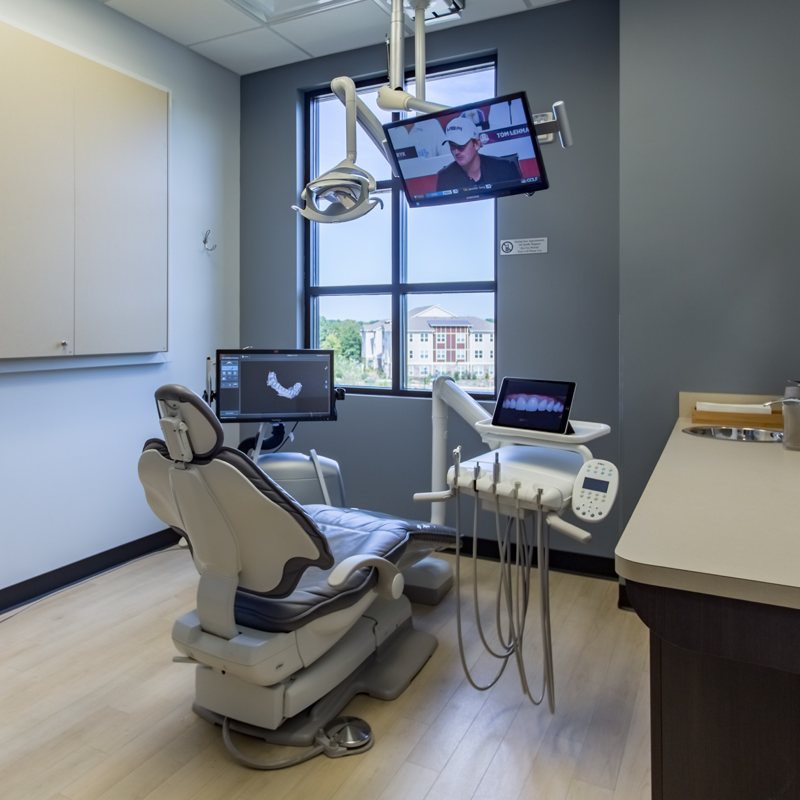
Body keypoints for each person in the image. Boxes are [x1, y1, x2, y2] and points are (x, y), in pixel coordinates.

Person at [436, 116, 521, 192]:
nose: (456, 152)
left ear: (476, 144)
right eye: (452, 145)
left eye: (461, 145)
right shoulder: (445, 178)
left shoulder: (506, 169)